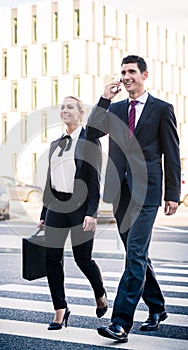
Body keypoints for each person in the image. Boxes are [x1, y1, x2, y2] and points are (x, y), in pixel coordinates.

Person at [86, 55, 181, 343]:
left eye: (131, 72)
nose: (126, 76)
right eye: (123, 72)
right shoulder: (114, 110)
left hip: (148, 191)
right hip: (120, 192)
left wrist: (172, 194)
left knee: (136, 253)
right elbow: (91, 132)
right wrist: (103, 99)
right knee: (135, 253)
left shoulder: (162, 109)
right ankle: (157, 308)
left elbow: (172, 153)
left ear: (144, 75)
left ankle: (120, 323)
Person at [38, 96, 108, 331]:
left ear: (80, 114)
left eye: (70, 107)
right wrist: (43, 212)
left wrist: (92, 212)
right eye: (62, 107)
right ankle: (60, 309)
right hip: (56, 206)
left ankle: (99, 293)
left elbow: (94, 179)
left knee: (82, 259)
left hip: (80, 208)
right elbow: (51, 180)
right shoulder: (55, 144)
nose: (65, 110)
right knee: (51, 259)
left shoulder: (90, 140)